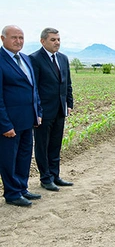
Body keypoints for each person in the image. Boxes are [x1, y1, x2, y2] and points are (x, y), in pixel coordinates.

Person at [0, 25, 43, 207]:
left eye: (21, 37)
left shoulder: (25, 59)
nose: (18, 41)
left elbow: (34, 89)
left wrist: (38, 112)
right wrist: (5, 125)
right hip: (10, 123)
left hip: (28, 119)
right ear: (2, 39)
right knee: (9, 158)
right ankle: (12, 193)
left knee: (24, 156)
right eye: (14, 37)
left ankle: (22, 188)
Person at [30, 27, 74, 192]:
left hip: (60, 110)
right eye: (53, 40)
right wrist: (37, 111)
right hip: (43, 112)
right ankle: (45, 178)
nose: (57, 43)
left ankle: (55, 175)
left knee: (55, 144)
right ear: (43, 41)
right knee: (42, 145)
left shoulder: (63, 58)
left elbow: (67, 83)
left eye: (58, 39)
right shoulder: (34, 59)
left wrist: (69, 103)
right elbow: (33, 88)